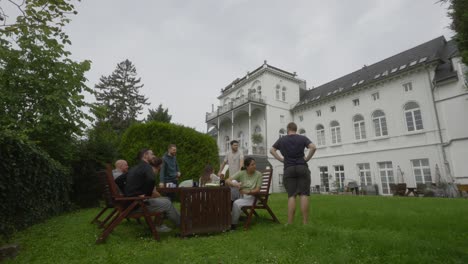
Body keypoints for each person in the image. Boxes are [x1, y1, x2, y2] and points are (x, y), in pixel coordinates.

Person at [270, 122, 316, 225]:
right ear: (296, 129)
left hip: (289, 168)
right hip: (302, 167)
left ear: (288, 129)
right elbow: (313, 147)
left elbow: (272, 150)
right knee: (304, 194)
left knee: (291, 195)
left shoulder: (282, 140)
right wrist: (306, 159)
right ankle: (305, 223)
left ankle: (290, 222)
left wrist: (281, 159)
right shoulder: (302, 138)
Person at [125, 148, 180, 232]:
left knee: (165, 200)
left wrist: (127, 193)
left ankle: (163, 224)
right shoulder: (146, 167)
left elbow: (119, 180)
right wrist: (147, 195)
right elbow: (151, 180)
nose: (154, 156)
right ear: (145, 156)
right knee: (167, 203)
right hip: (137, 204)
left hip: (130, 202)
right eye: (152, 154)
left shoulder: (135, 167)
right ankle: (183, 225)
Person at [225, 157, 262, 229]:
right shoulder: (242, 173)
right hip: (242, 195)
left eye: (255, 164)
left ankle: (233, 225)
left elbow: (257, 190)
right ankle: (229, 206)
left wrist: (247, 192)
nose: (255, 166)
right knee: (233, 182)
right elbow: (227, 180)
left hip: (253, 197)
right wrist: (236, 185)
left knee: (236, 203)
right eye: (252, 165)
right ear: (247, 167)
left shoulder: (258, 174)